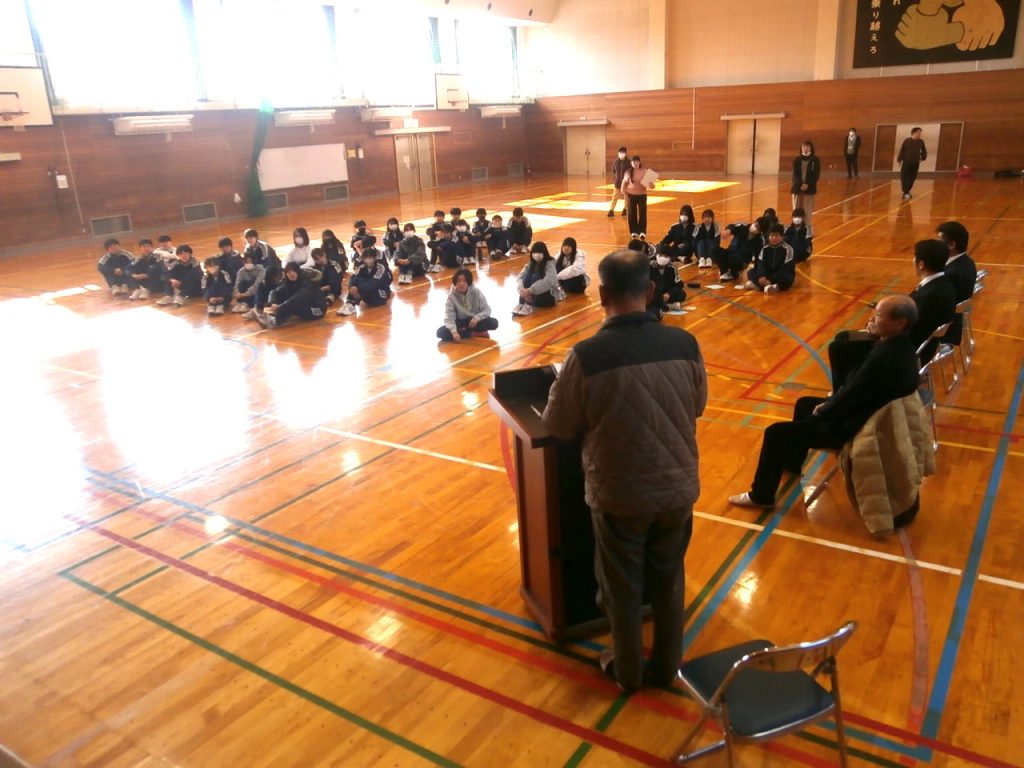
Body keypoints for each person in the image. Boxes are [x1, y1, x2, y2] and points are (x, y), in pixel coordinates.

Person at [542, 248, 707, 692]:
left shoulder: (586, 356)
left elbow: (558, 425)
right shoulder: (685, 344)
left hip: (620, 494)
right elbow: (698, 404)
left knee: (621, 587)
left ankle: (629, 673)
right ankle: (667, 668)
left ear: (601, 295)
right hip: (677, 487)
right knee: (669, 582)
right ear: (650, 291)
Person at [729, 295, 920, 509]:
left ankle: (761, 496)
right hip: (866, 412)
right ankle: (792, 463)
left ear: (899, 323)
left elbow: (852, 395)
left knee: (775, 433)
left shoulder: (884, 358)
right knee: (804, 403)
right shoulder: (900, 347)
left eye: (878, 315)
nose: (872, 319)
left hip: (854, 426)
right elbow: (856, 390)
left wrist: (826, 408)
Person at [936, 221, 977, 345]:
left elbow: (939, 305)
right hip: (956, 321)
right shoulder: (967, 261)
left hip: (947, 330)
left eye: (939, 240)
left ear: (951, 245)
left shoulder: (952, 273)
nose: (936, 244)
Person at [436, 268, 499, 342]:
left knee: (494, 323)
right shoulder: (451, 297)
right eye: (459, 281)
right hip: (460, 322)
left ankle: (464, 332)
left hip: (474, 321)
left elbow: (487, 310)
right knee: (440, 332)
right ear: (455, 282)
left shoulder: (476, 292)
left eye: (464, 281)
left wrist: (476, 318)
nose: (461, 284)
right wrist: (454, 332)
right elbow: (449, 317)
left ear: (469, 282)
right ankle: (474, 333)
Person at [257, 261, 327, 328]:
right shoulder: (289, 283)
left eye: (294, 271)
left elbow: (298, 298)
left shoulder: (307, 283)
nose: (291, 274)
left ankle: (274, 321)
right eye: (288, 272)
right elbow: (274, 292)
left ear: (298, 271)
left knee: (294, 303)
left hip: (318, 310)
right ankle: (269, 315)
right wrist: (273, 303)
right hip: (305, 306)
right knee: (282, 296)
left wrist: (281, 307)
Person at [337, 244, 393, 316]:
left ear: (374, 258)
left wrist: (358, 290)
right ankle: (349, 303)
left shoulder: (380, 267)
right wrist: (352, 287)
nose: (368, 260)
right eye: (366, 258)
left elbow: (375, 283)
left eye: (370, 258)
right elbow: (354, 277)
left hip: (381, 294)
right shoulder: (362, 266)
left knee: (363, 283)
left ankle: (352, 304)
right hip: (367, 294)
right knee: (358, 281)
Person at [743, 223, 795, 293]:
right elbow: (761, 265)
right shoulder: (764, 249)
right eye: (772, 235)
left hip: (779, 275)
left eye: (777, 235)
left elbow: (786, 267)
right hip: (767, 274)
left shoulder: (788, 249)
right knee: (750, 272)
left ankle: (760, 286)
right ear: (768, 236)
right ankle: (770, 287)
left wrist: (770, 280)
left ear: (782, 237)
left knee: (788, 277)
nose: (774, 238)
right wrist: (762, 276)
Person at [512, 241, 557, 316]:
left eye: (539, 252)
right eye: (534, 252)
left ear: (544, 253)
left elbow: (547, 282)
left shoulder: (550, 265)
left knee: (537, 275)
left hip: (548, 295)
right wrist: (522, 291)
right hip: (531, 293)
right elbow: (520, 277)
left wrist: (529, 291)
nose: (536, 255)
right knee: (527, 276)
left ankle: (528, 304)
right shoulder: (531, 263)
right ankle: (522, 303)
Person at [791, 140, 821, 235]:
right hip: (797, 189)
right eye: (803, 146)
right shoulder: (797, 159)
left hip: (809, 190)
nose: (805, 148)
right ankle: (796, 231)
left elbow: (816, 175)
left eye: (807, 146)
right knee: (796, 211)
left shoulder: (815, 160)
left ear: (811, 148)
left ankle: (808, 232)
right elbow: (795, 175)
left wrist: (807, 184)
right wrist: (800, 184)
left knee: (807, 211)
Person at [621, 154, 654, 238]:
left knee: (642, 213)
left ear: (639, 162)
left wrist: (651, 183)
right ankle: (634, 231)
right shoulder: (628, 172)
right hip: (631, 195)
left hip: (642, 195)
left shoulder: (645, 171)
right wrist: (624, 191)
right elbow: (624, 183)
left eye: (637, 161)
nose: (635, 163)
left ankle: (642, 231)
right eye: (633, 162)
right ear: (631, 163)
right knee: (632, 214)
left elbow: (652, 186)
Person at [649, 245, 686, 317]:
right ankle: (667, 306)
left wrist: (669, 293)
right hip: (654, 293)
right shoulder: (650, 266)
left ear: (669, 258)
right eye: (660, 255)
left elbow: (679, 284)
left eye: (665, 256)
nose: (662, 258)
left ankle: (662, 304)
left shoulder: (672, 267)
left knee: (682, 294)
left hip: (666, 293)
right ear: (656, 255)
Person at [898, 127, 927, 200]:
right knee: (904, 177)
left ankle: (907, 191)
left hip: (915, 163)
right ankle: (905, 192)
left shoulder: (921, 142)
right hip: (906, 162)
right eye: (918, 132)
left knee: (912, 177)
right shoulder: (907, 141)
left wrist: (922, 158)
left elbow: (924, 151)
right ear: (913, 133)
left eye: (920, 133)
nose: (920, 134)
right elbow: (902, 150)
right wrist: (899, 160)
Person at [607, 146, 630, 217]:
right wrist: (616, 179)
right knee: (614, 197)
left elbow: (630, 172)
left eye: (623, 152)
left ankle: (625, 209)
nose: (621, 154)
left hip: (626, 184)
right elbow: (614, 171)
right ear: (618, 153)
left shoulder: (629, 162)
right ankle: (611, 210)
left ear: (625, 153)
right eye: (620, 152)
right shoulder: (616, 162)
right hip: (617, 183)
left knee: (626, 197)